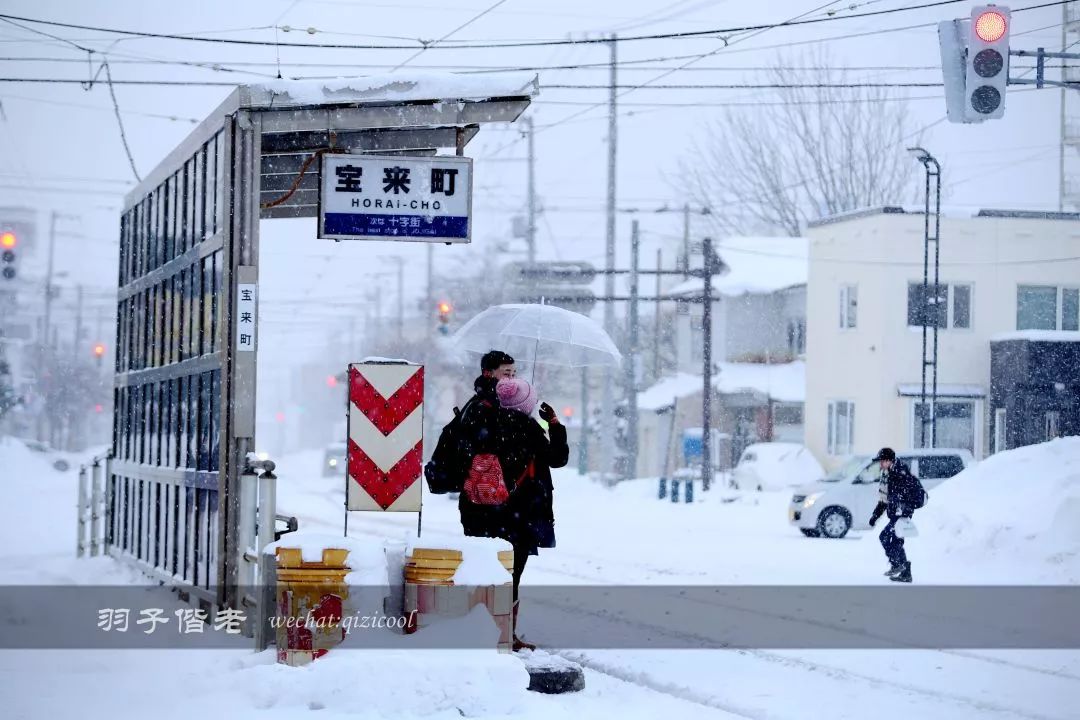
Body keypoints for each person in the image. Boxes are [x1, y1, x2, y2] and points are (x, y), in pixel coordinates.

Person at [459, 377, 569, 651]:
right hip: (520, 515)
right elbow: (558, 458)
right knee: (512, 574)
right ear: (526, 404)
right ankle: (505, 634)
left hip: (485, 511)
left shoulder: (485, 422)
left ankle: (479, 627)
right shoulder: (528, 428)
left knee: (486, 572)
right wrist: (554, 424)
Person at [424, 350, 515, 494]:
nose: (511, 379)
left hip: (491, 492)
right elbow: (481, 450)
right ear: (488, 373)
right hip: (484, 494)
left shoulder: (501, 404)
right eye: (506, 373)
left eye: (513, 374)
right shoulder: (482, 406)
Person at [868, 447, 923, 583]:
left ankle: (899, 565)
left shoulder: (900, 473)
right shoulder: (888, 474)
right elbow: (884, 499)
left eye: (882, 461)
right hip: (896, 514)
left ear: (888, 460)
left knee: (885, 537)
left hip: (902, 515)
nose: (880, 464)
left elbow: (906, 495)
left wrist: (901, 506)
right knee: (896, 541)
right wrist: (875, 516)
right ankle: (904, 571)